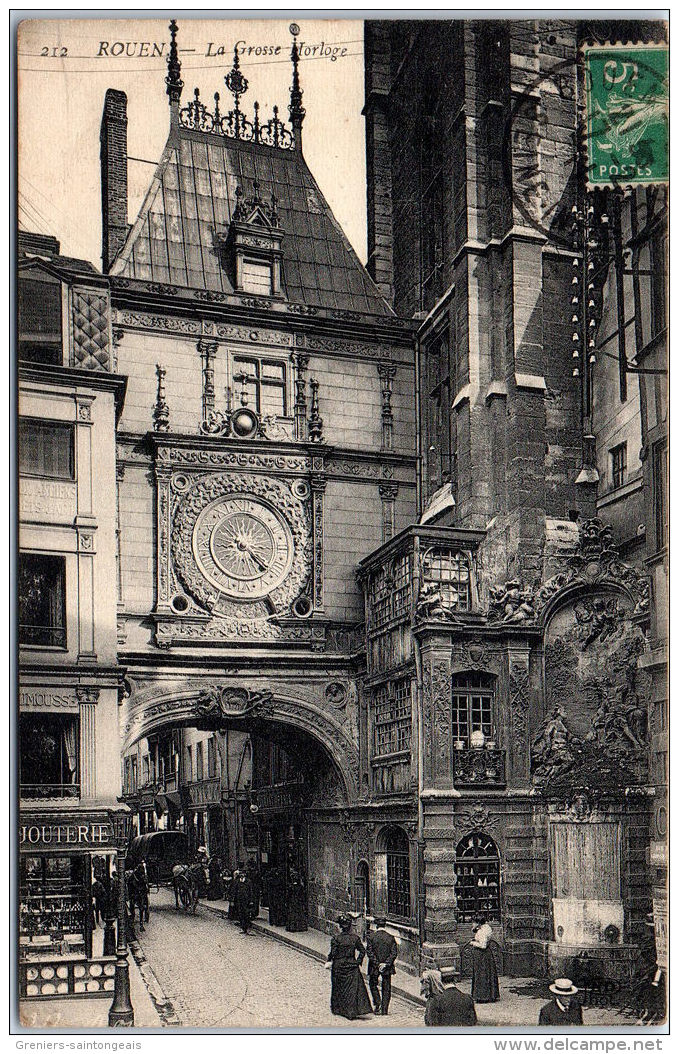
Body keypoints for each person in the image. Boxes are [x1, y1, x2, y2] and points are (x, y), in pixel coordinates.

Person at [325, 914, 373, 1020]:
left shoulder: (336, 939)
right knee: (352, 989)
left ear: (340, 926)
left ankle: (339, 1009)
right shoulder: (355, 938)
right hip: (351, 964)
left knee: (338, 987)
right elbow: (362, 951)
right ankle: (351, 1010)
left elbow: (333, 952)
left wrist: (329, 960)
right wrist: (358, 961)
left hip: (339, 964)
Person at [366, 916, 398, 1015]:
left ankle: (377, 1002)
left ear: (376, 925)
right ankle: (384, 1009)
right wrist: (385, 964)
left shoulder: (371, 937)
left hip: (374, 966)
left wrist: (377, 963)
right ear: (385, 925)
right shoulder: (391, 937)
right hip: (387, 967)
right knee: (386, 987)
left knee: (372, 984)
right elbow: (394, 953)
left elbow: (369, 952)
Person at [469, 914, 500, 1002]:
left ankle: (482, 996)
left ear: (478, 923)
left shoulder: (481, 932)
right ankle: (490, 995)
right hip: (487, 955)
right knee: (487, 973)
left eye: (473, 922)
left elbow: (483, 945)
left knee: (482, 974)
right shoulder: (486, 928)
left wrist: (473, 943)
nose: (472, 924)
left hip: (481, 955)